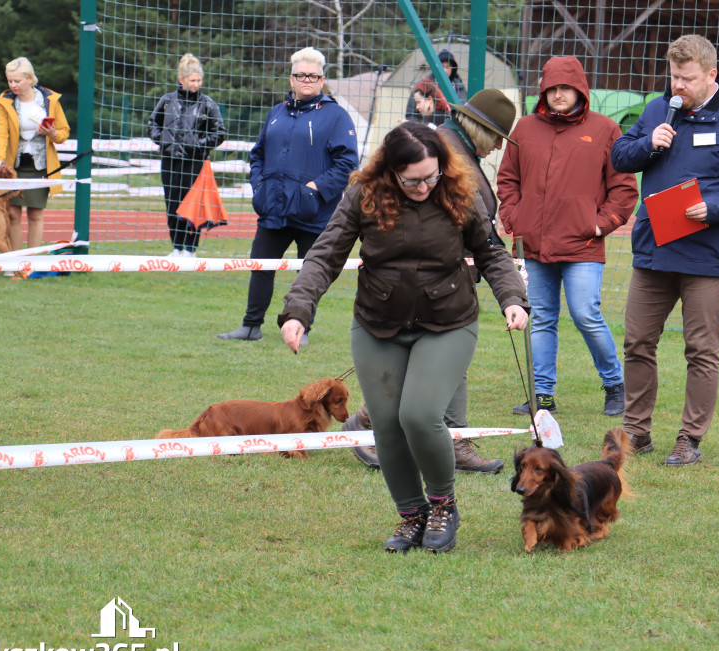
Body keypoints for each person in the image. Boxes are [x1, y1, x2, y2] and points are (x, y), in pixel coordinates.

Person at [278, 121, 529, 553]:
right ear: (391, 171)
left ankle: (442, 504)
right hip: (378, 323)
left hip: (448, 320)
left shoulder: (460, 192)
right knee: (389, 426)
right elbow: (325, 253)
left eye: (432, 176)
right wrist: (298, 310)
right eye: (413, 180)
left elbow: (491, 251)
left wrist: (513, 298)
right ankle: (412, 515)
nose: (424, 186)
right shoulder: (364, 195)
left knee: (419, 414)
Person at [610, 34, 719, 466]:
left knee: (701, 350)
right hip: (653, 251)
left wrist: (714, 207)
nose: (678, 85)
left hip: (704, 253)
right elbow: (620, 156)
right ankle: (636, 432)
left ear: (711, 75)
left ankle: (690, 437)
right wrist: (649, 143)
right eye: (674, 76)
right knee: (638, 342)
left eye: (688, 78)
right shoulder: (657, 110)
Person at [343, 88, 519, 476]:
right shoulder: (447, 157)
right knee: (414, 390)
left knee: (440, 373)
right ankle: (371, 422)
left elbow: (486, 243)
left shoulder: (455, 151)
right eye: (497, 140)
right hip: (411, 299)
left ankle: (452, 441)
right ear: (484, 132)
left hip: (448, 296)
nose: (496, 149)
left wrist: (511, 294)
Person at [496, 56, 639, 417]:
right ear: (544, 90)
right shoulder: (524, 129)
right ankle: (542, 396)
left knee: (586, 313)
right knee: (540, 317)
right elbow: (507, 180)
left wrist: (600, 224)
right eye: (552, 88)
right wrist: (514, 216)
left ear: (580, 90)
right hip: (533, 244)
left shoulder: (605, 129)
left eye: (566, 88)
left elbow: (623, 188)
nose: (559, 95)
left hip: (583, 244)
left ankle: (615, 385)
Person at [218, 48, 358, 342]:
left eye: (313, 75)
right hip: (274, 210)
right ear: (291, 78)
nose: (307, 80)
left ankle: (301, 327)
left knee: (310, 272)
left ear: (322, 79)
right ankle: (251, 326)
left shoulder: (337, 117)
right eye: (300, 75)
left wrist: (315, 189)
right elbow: (257, 155)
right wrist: (260, 185)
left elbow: (347, 163)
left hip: (314, 213)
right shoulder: (276, 113)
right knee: (261, 266)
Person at [147, 53, 228, 257]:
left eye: (199, 80)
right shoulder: (167, 101)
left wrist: (199, 145)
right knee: (172, 204)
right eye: (192, 80)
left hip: (195, 163)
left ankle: (191, 250)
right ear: (182, 79)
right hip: (170, 161)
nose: (196, 84)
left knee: (193, 206)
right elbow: (152, 124)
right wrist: (164, 142)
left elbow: (220, 132)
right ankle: (177, 248)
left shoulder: (207, 104)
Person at [0, 57, 71, 252]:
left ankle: (32, 260)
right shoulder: (5, 102)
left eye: (17, 81)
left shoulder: (49, 100)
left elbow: (63, 133)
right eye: (9, 81)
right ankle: (15, 260)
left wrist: (52, 134)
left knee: (35, 215)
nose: (12, 85)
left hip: (40, 166)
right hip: (13, 167)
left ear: (29, 78)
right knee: (12, 215)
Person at [404, 49, 467, 121]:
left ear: (453, 69)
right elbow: (410, 115)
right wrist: (425, 127)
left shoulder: (460, 87)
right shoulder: (422, 87)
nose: (445, 70)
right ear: (436, 68)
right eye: (442, 66)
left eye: (448, 66)